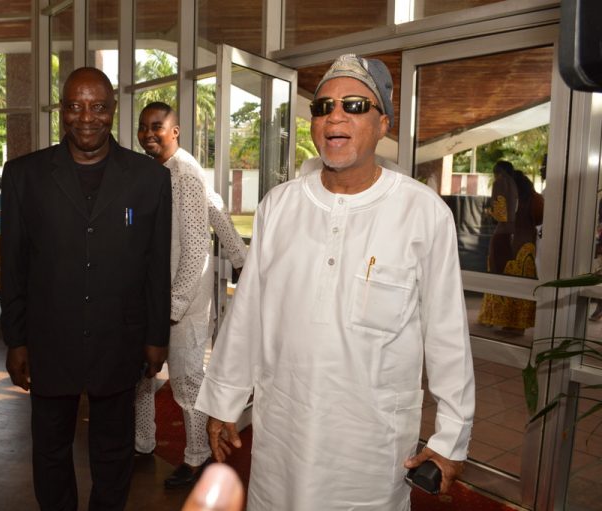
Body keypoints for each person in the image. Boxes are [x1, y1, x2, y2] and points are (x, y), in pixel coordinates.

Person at [195, 54, 475, 510]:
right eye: (323, 107)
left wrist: (451, 438)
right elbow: (248, 313)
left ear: (383, 124)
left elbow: (448, 337)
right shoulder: (279, 206)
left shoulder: (423, 213)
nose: (335, 116)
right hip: (283, 434)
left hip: (370, 448)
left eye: (354, 105)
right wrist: (224, 400)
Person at [0, 67, 172, 511]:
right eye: (75, 106)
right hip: (49, 341)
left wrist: (157, 336)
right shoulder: (24, 175)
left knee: (114, 451)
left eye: (97, 106)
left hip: (120, 340)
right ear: (62, 110)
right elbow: (13, 267)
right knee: (50, 449)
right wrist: (15, 340)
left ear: (113, 110)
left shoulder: (149, 178)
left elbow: (156, 265)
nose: (86, 117)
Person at [134, 101, 247, 489]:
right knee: (143, 376)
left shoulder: (184, 172)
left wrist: (174, 307)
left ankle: (197, 457)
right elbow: (215, 207)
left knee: (186, 381)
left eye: (157, 127)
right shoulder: (157, 170)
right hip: (154, 295)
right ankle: (142, 443)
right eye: (143, 127)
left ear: (175, 131)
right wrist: (240, 256)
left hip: (184, 301)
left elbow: (198, 245)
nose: (149, 134)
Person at [479, 170, 544, 333]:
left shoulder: (507, 198)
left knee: (498, 279)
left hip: (502, 240)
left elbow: (497, 216)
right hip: (524, 244)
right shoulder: (535, 199)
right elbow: (540, 219)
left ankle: (494, 318)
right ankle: (515, 324)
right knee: (520, 282)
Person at [478, 160, 519, 329]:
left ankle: (493, 317)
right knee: (507, 274)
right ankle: (508, 318)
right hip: (513, 232)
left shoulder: (500, 183)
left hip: (501, 231)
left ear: (498, 172)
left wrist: (489, 211)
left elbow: (501, 214)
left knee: (495, 273)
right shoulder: (514, 184)